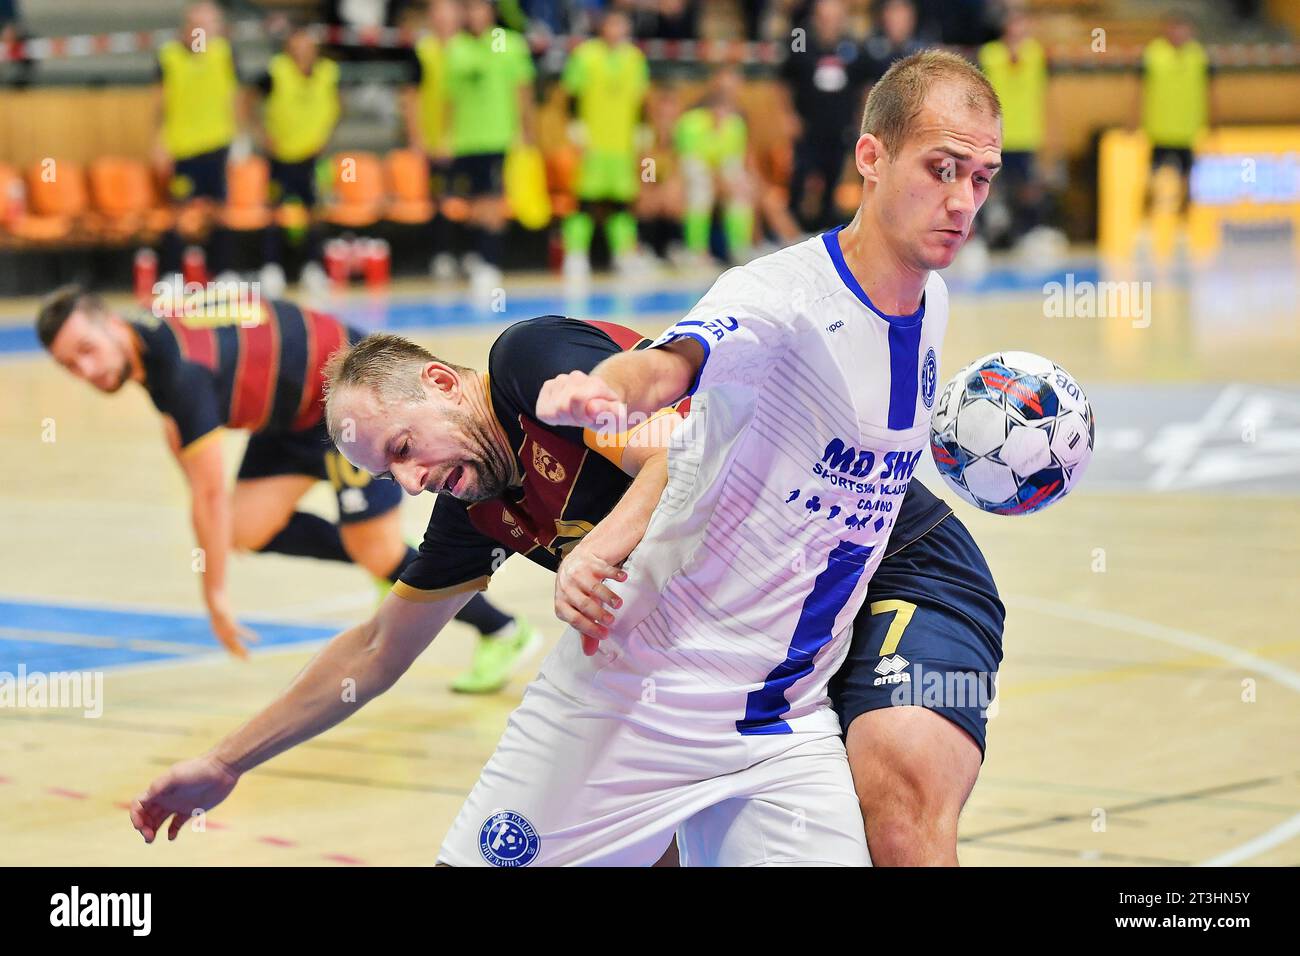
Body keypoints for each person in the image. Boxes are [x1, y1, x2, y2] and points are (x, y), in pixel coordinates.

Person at [128, 51, 1005, 866]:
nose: (408, 480)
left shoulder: (523, 364)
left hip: (900, 564)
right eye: (385, 476)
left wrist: (601, 532)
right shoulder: (477, 512)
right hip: (741, 647)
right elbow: (373, 652)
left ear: (442, 382)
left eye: (402, 447)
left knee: (898, 810)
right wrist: (225, 760)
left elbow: (678, 436)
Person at [35, 286, 533, 690]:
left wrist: (216, 599)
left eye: (86, 351)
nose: (86, 370)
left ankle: (504, 631)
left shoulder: (180, 371)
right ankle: (382, 561)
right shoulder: (151, 339)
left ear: (112, 324)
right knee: (245, 529)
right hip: (287, 414)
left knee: (374, 549)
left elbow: (207, 495)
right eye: (69, 366)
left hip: (347, 403)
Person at [443, 0, 538, 302]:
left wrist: (527, 130)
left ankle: (490, 262)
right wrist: (446, 134)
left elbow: (522, 90)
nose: (475, 15)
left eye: (480, 8)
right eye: (469, 9)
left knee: (493, 201)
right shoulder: (457, 47)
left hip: (498, 136)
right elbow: (450, 97)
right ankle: (477, 256)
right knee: (473, 204)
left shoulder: (510, 44)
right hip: (467, 138)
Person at [153, 2, 243, 279]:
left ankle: (222, 272)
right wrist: (158, 141)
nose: (203, 31)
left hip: (217, 143)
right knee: (179, 213)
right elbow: (159, 102)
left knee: (218, 211)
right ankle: (171, 273)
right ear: (187, 27)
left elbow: (234, 97)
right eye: (198, 25)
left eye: (209, 25)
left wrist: (240, 137)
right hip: (183, 146)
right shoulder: (169, 55)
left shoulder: (224, 54)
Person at [560, 8, 651, 282]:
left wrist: (642, 129)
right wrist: (576, 128)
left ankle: (623, 254)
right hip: (593, 144)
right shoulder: (585, 55)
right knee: (585, 202)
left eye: (622, 25)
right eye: (612, 24)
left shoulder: (634, 59)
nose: (617, 30)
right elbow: (571, 97)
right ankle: (575, 256)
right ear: (603, 27)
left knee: (621, 203)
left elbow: (641, 100)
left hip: (622, 144)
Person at [252, 23, 340, 293]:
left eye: (307, 46)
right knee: (276, 212)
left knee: (315, 212)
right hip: (281, 156)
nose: (302, 51)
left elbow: (337, 105)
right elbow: (246, 99)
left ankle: (313, 267)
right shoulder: (276, 71)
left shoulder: (328, 72)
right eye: (297, 46)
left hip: (312, 156)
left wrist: (327, 135)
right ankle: (271, 267)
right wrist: (261, 133)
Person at [780, 0, 872, 233]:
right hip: (808, 125)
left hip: (839, 125)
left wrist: (861, 118)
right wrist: (788, 115)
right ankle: (794, 225)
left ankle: (827, 227)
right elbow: (784, 80)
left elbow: (864, 85)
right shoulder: (801, 40)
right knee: (801, 175)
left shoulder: (852, 46)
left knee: (834, 175)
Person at [402, 0, 463, 282]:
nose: (443, 17)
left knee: (471, 199)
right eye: (437, 11)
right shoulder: (422, 50)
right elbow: (410, 96)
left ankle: (474, 256)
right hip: (434, 139)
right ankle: (442, 254)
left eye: (448, 10)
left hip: (469, 139)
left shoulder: (469, 48)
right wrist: (417, 137)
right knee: (439, 199)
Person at [978, 4, 1048, 249]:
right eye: (1014, 24)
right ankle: (988, 233)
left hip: (1026, 133)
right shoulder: (990, 54)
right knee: (990, 184)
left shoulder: (1036, 53)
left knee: (1028, 187)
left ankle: (1030, 233)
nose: (1019, 29)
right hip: (995, 134)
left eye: (1022, 24)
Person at [674, 66, 756, 264]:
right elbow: (689, 162)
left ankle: (740, 249)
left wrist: (739, 183)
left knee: (741, 189)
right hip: (694, 175)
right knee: (700, 190)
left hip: (720, 176)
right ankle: (695, 250)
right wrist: (719, 181)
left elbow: (734, 162)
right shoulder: (690, 122)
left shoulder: (736, 124)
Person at [1141, 11, 1209, 183]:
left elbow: (1209, 89)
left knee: (1186, 173)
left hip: (1186, 129)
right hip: (1159, 128)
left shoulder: (1198, 55)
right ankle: (1148, 201)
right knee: (1153, 171)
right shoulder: (1153, 53)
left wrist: (1212, 121)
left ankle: (1185, 204)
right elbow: (1138, 88)